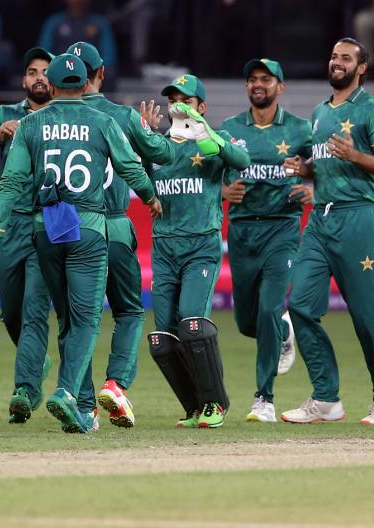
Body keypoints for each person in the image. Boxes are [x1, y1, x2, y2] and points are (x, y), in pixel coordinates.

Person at [0, 53, 161, 434]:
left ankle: (80, 405)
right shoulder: (104, 120)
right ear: (87, 82)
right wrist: (149, 196)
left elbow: (11, 182)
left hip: (46, 227)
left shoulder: (31, 124)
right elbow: (129, 167)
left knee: (64, 318)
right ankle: (68, 393)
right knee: (86, 319)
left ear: (55, 84)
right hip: (89, 227)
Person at [281, 38, 374, 425]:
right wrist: (306, 171)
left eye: (346, 58)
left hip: (359, 218)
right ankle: (326, 400)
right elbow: (326, 165)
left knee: (365, 315)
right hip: (320, 218)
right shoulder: (319, 112)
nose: (337, 62)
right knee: (299, 304)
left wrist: (355, 155)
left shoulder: (372, 111)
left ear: (361, 68)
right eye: (334, 56)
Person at [68, 41, 173, 428]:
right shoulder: (123, 117)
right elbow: (163, 155)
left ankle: (82, 404)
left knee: (78, 319)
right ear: (101, 73)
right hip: (112, 226)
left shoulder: (49, 118)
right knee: (128, 310)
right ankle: (115, 384)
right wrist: (149, 130)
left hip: (66, 229)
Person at [147, 74, 250, 429]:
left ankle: (215, 404)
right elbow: (132, 173)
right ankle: (194, 407)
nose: (177, 107)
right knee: (163, 339)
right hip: (164, 248)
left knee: (192, 323)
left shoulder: (214, 142)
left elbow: (241, 160)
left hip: (200, 247)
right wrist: (141, 138)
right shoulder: (159, 147)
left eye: (185, 101)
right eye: (172, 100)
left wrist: (208, 135)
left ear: (202, 107)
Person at [0, 47, 55, 425]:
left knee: (35, 311)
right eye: (32, 71)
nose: (39, 78)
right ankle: (38, 362)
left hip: (48, 221)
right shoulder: (6, 115)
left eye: (45, 72)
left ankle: (24, 391)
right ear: (23, 81)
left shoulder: (64, 118)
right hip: (13, 224)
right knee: (11, 313)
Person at [221, 58, 313, 423]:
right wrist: (223, 191)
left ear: (281, 87)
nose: (258, 84)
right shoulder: (228, 129)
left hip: (282, 229)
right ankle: (284, 331)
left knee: (269, 309)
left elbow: (325, 165)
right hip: (242, 232)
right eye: (253, 79)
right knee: (248, 323)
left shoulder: (300, 128)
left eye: (266, 79)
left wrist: (310, 183)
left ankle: (264, 399)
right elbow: (208, 173)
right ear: (246, 87)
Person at [38, 0, 117, 69]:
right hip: (60, 70)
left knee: (108, 72)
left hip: (91, 72)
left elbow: (109, 55)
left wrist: (92, 69)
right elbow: (44, 51)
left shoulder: (100, 23)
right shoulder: (54, 22)